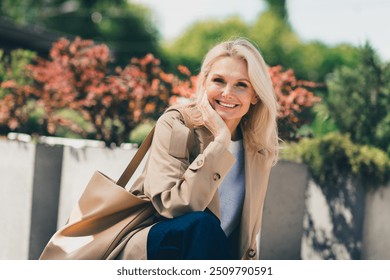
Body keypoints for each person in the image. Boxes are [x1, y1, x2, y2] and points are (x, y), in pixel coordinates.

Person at [116, 38, 279, 260]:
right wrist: (220, 144)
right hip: (157, 251)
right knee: (202, 224)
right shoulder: (177, 125)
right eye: (219, 81)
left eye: (242, 84)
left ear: (255, 95)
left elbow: (246, 239)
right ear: (204, 84)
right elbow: (170, 206)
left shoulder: (257, 150)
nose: (227, 93)